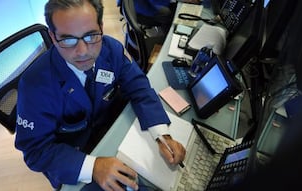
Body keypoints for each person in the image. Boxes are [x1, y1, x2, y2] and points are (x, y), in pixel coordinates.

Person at [14, 0, 186, 190]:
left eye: (91, 36)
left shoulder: (111, 49)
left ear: (101, 28)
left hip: (114, 134)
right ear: (53, 37)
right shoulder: (34, 85)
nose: (83, 52)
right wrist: (93, 166)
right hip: (73, 159)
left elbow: (138, 86)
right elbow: (35, 151)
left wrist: (161, 134)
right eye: (67, 39)